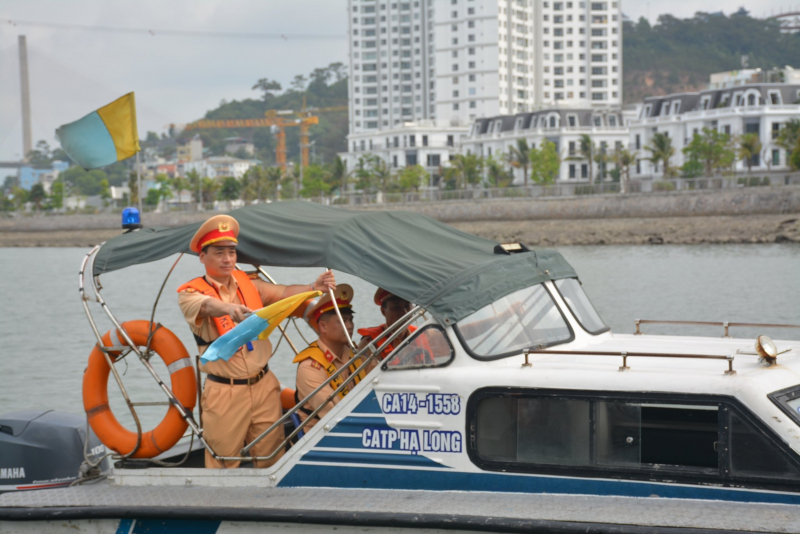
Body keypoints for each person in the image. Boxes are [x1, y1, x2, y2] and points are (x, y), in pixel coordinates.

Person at [177, 214, 335, 468]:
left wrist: (312, 286)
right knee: (223, 463)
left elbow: (283, 293)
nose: (228, 259)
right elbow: (207, 306)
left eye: (231, 252)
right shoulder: (190, 293)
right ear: (202, 256)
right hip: (225, 391)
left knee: (272, 458)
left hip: (264, 385)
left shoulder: (249, 284)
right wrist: (229, 309)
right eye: (219, 252)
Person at [293, 284, 364, 429]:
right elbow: (335, 415)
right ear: (323, 327)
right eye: (343, 321)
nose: (350, 326)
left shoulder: (355, 355)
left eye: (351, 320)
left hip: (355, 428)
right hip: (323, 440)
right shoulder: (310, 367)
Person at [356, 288, 416, 361]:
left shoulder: (423, 335)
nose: (404, 312)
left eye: (407, 306)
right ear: (383, 311)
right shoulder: (370, 344)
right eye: (396, 307)